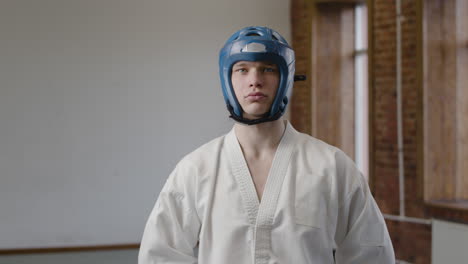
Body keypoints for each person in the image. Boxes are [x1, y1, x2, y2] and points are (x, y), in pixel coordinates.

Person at [138, 26, 395, 264]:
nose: (255, 80)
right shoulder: (196, 169)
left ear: (287, 78)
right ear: (227, 79)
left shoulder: (331, 166)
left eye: (268, 69)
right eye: (242, 69)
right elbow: (159, 254)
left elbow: (372, 253)